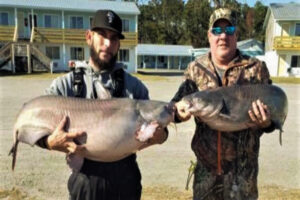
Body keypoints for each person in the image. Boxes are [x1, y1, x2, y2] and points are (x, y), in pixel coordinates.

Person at [36, 10, 168, 200]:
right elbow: (35, 123)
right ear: (89, 37)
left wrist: (160, 136)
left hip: (126, 181)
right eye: (102, 36)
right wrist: (49, 143)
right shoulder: (65, 85)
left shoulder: (135, 88)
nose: (108, 44)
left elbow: (161, 129)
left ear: (119, 44)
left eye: (114, 39)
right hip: (85, 182)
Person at [172, 8, 275, 200]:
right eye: (217, 31)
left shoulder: (256, 69)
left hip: (244, 178)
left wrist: (267, 123)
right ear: (209, 35)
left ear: (236, 34)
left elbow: (272, 119)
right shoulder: (195, 70)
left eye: (229, 30)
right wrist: (178, 114)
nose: (223, 36)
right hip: (206, 178)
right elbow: (176, 108)